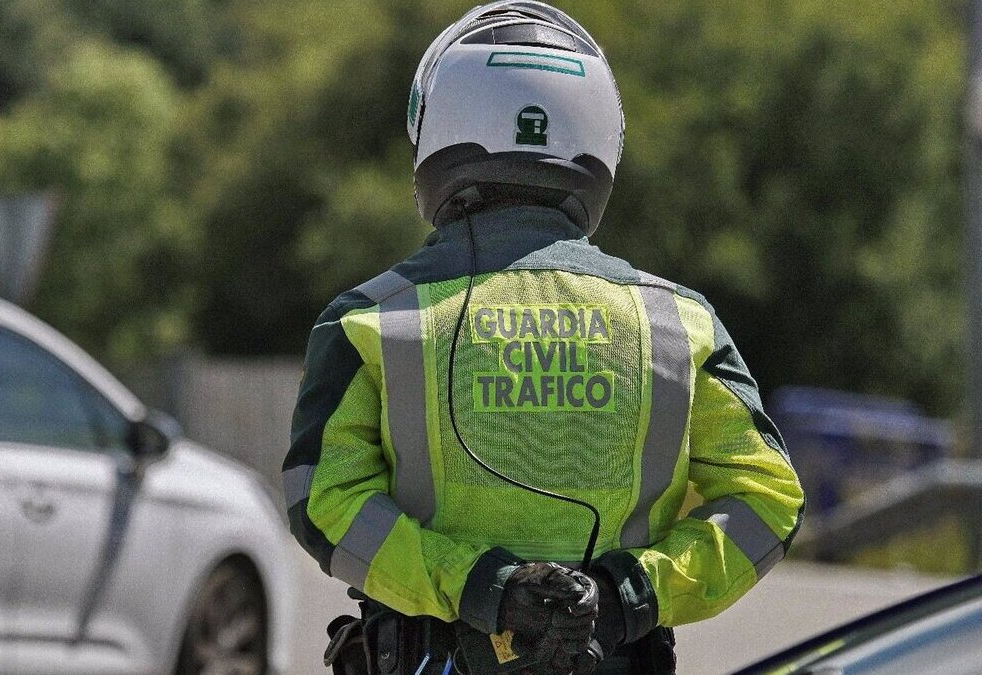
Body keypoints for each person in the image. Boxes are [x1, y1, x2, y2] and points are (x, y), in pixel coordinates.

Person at [282, 3, 805, 674]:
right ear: (600, 142)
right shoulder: (681, 324)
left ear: (434, 131)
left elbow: (321, 502)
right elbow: (768, 504)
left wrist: (486, 589)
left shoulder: (368, 321)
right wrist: (626, 597)